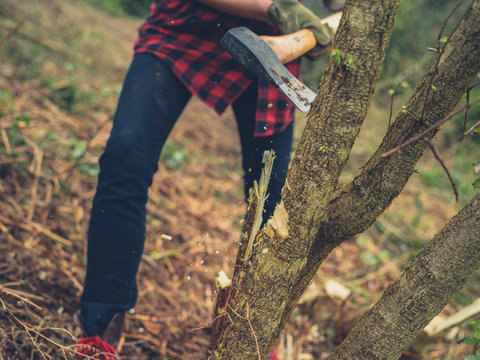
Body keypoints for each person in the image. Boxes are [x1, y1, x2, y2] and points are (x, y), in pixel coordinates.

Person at [74, 0, 338, 358]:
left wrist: (341, 15)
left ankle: (255, 341)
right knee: (125, 159)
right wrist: (277, 8)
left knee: (272, 208)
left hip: (276, 49)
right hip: (185, 26)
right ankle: (99, 324)